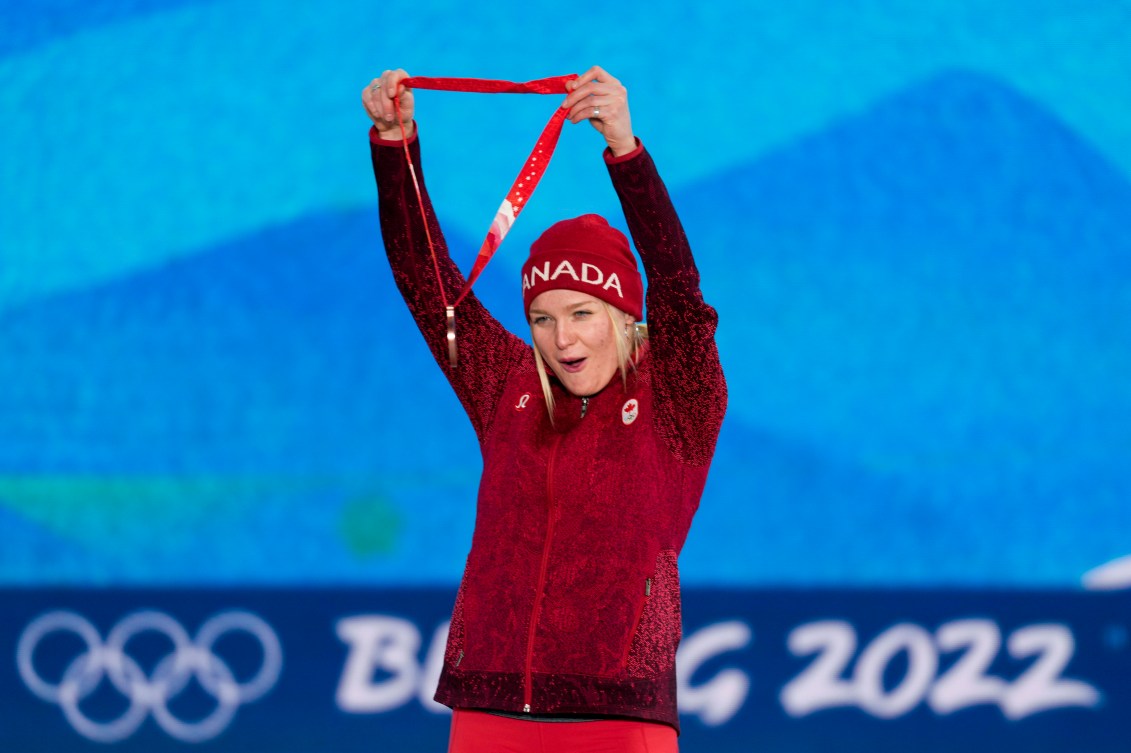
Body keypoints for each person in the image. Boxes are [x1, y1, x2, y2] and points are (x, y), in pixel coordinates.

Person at [361, 65, 726, 753]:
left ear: (622, 313)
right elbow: (425, 280)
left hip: (619, 716)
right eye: (542, 317)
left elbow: (677, 285)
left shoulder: (678, 395)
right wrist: (394, 141)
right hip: (489, 704)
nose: (562, 338)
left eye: (582, 313)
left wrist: (624, 149)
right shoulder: (506, 384)